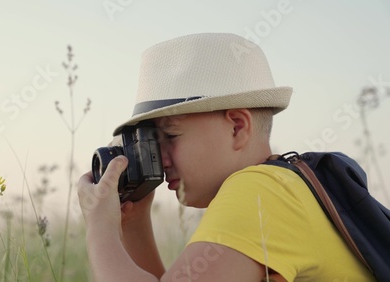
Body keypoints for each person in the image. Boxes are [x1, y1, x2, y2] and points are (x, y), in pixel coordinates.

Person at [77, 33, 374, 281]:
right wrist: (133, 223)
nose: (161, 159)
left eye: (170, 136)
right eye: (152, 143)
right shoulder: (287, 185)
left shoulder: (260, 191)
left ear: (237, 127)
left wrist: (99, 229)